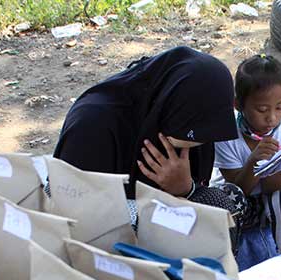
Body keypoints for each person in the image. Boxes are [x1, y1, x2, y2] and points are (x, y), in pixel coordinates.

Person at [54, 46, 246, 249]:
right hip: (100, 237)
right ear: (170, 104)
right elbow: (70, 209)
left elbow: (203, 199)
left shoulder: (195, 122)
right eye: (191, 133)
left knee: (228, 202)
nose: (198, 144)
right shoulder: (93, 124)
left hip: (163, 225)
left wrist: (185, 189)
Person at [213, 54, 281, 266]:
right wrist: (254, 161)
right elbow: (237, 188)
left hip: (269, 197)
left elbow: (280, 184)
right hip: (240, 202)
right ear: (238, 105)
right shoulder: (226, 134)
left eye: (279, 107)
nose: (272, 117)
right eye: (262, 109)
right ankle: (230, 261)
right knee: (224, 203)